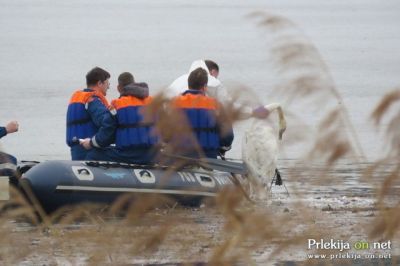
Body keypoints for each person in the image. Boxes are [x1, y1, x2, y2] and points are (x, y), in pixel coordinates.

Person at [85, 72, 158, 164]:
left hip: (129, 155)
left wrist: (91, 143)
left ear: (119, 88)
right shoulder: (154, 103)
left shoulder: (117, 105)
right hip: (153, 155)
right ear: (134, 83)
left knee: (93, 154)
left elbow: (106, 136)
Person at [167, 59, 269, 119]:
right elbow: (229, 108)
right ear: (211, 71)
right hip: (205, 145)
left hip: (176, 139)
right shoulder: (214, 83)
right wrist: (252, 112)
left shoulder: (175, 82)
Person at [170, 67, 234, 159]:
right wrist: (221, 147)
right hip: (208, 155)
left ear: (188, 85)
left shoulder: (174, 104)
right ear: (204, 87)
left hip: (180, 155)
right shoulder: (216, 105)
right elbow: (228, 136)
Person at [66, 67, 115, 160]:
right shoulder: (92, 99)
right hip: (91, 151)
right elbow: (105, 122)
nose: (108, 87)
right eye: (107, 83)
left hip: (76, 151)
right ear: (100, 83)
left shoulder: (77, 98)